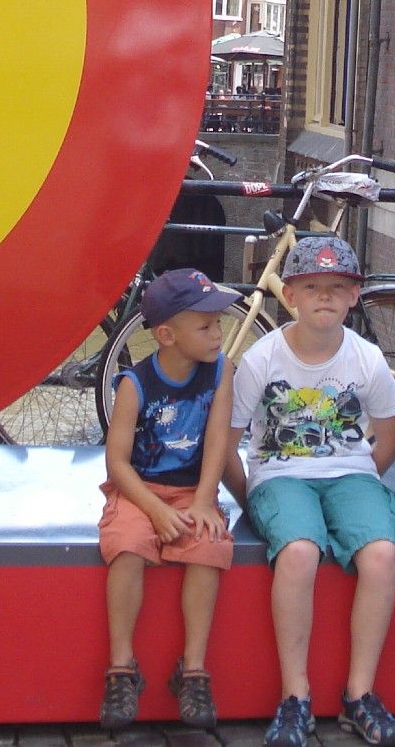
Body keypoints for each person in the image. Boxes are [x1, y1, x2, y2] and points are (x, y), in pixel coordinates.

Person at [233, 234, 395, 747]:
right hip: (280, 474)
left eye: (338, 286)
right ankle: (296, 696)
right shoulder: (261, 360)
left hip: (351, 473)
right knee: (299, 552)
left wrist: (361, 474)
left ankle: (360, 694)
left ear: (355, 295)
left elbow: (392, 433)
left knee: (380, 553)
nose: (325, 296)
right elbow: (227, 439)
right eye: (312, 286)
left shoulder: (366, 358)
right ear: (290, 295)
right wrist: (252, 495)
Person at [98, 268, 244, 731]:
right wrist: (156, 511)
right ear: (166, 335)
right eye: (205, 326)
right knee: (126, 545)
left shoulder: (221, 371)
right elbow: (117, 463)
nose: (218, 334)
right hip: (139, 490)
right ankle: (122, 667)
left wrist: (204, 501)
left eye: (218, 323)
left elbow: (219, 439)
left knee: (209, 544)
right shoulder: (133, 385)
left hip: (190, 489)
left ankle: (193, 669)